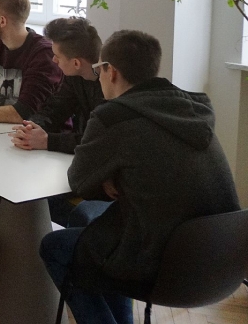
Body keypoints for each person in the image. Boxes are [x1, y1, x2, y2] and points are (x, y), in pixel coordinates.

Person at [40, 30, 240, 324]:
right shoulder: (192, 109)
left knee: (55, 247)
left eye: (99, 69)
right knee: (103, 236)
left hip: (163, 264)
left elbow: (79, 182)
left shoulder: (113, 116)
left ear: (111, 71)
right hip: (224, 258)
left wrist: (110, 177)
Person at [9, 16, 106, 227]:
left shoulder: (110, 87)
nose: (54, 60)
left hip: (102, 173)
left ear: (76, 63)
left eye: (57, 56)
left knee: (37, 195)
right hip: (78, 161)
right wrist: (31, 128)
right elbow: (55, 109)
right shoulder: (74, 76)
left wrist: (47, 141)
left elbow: (96, 141)